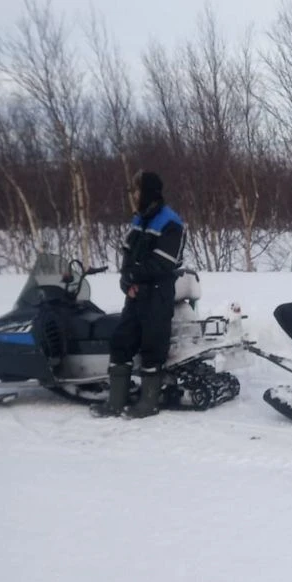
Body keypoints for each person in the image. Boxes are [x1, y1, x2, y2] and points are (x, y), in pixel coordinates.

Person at [92, 170, 185, 418]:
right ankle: (116, 401)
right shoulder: (138, 220)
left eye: (135, 190)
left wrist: (134, 276)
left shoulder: (170, 222)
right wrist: (126, 281)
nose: (133, 195)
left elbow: (163, 262)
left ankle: (149, 402)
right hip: (135, 294)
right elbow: (127, 256)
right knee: (121, 341)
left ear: (147, 192)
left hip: (158, 293)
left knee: (152, 346)